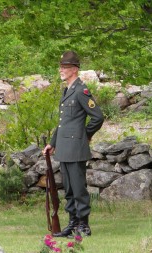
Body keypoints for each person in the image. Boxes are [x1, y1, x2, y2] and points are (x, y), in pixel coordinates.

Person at [43, 50, 104, 237]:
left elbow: (98, 117)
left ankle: (83, 225)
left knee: (78, 188)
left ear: (75, 69)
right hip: (63, 148)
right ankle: (72, 223)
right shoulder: (67, 90)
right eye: (61, 66)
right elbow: (63, 123)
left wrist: (85, 135)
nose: (61, 70)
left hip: (76, 148)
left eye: (65, 67)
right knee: (68, 189)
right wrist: (52, 143)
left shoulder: (81, 91)